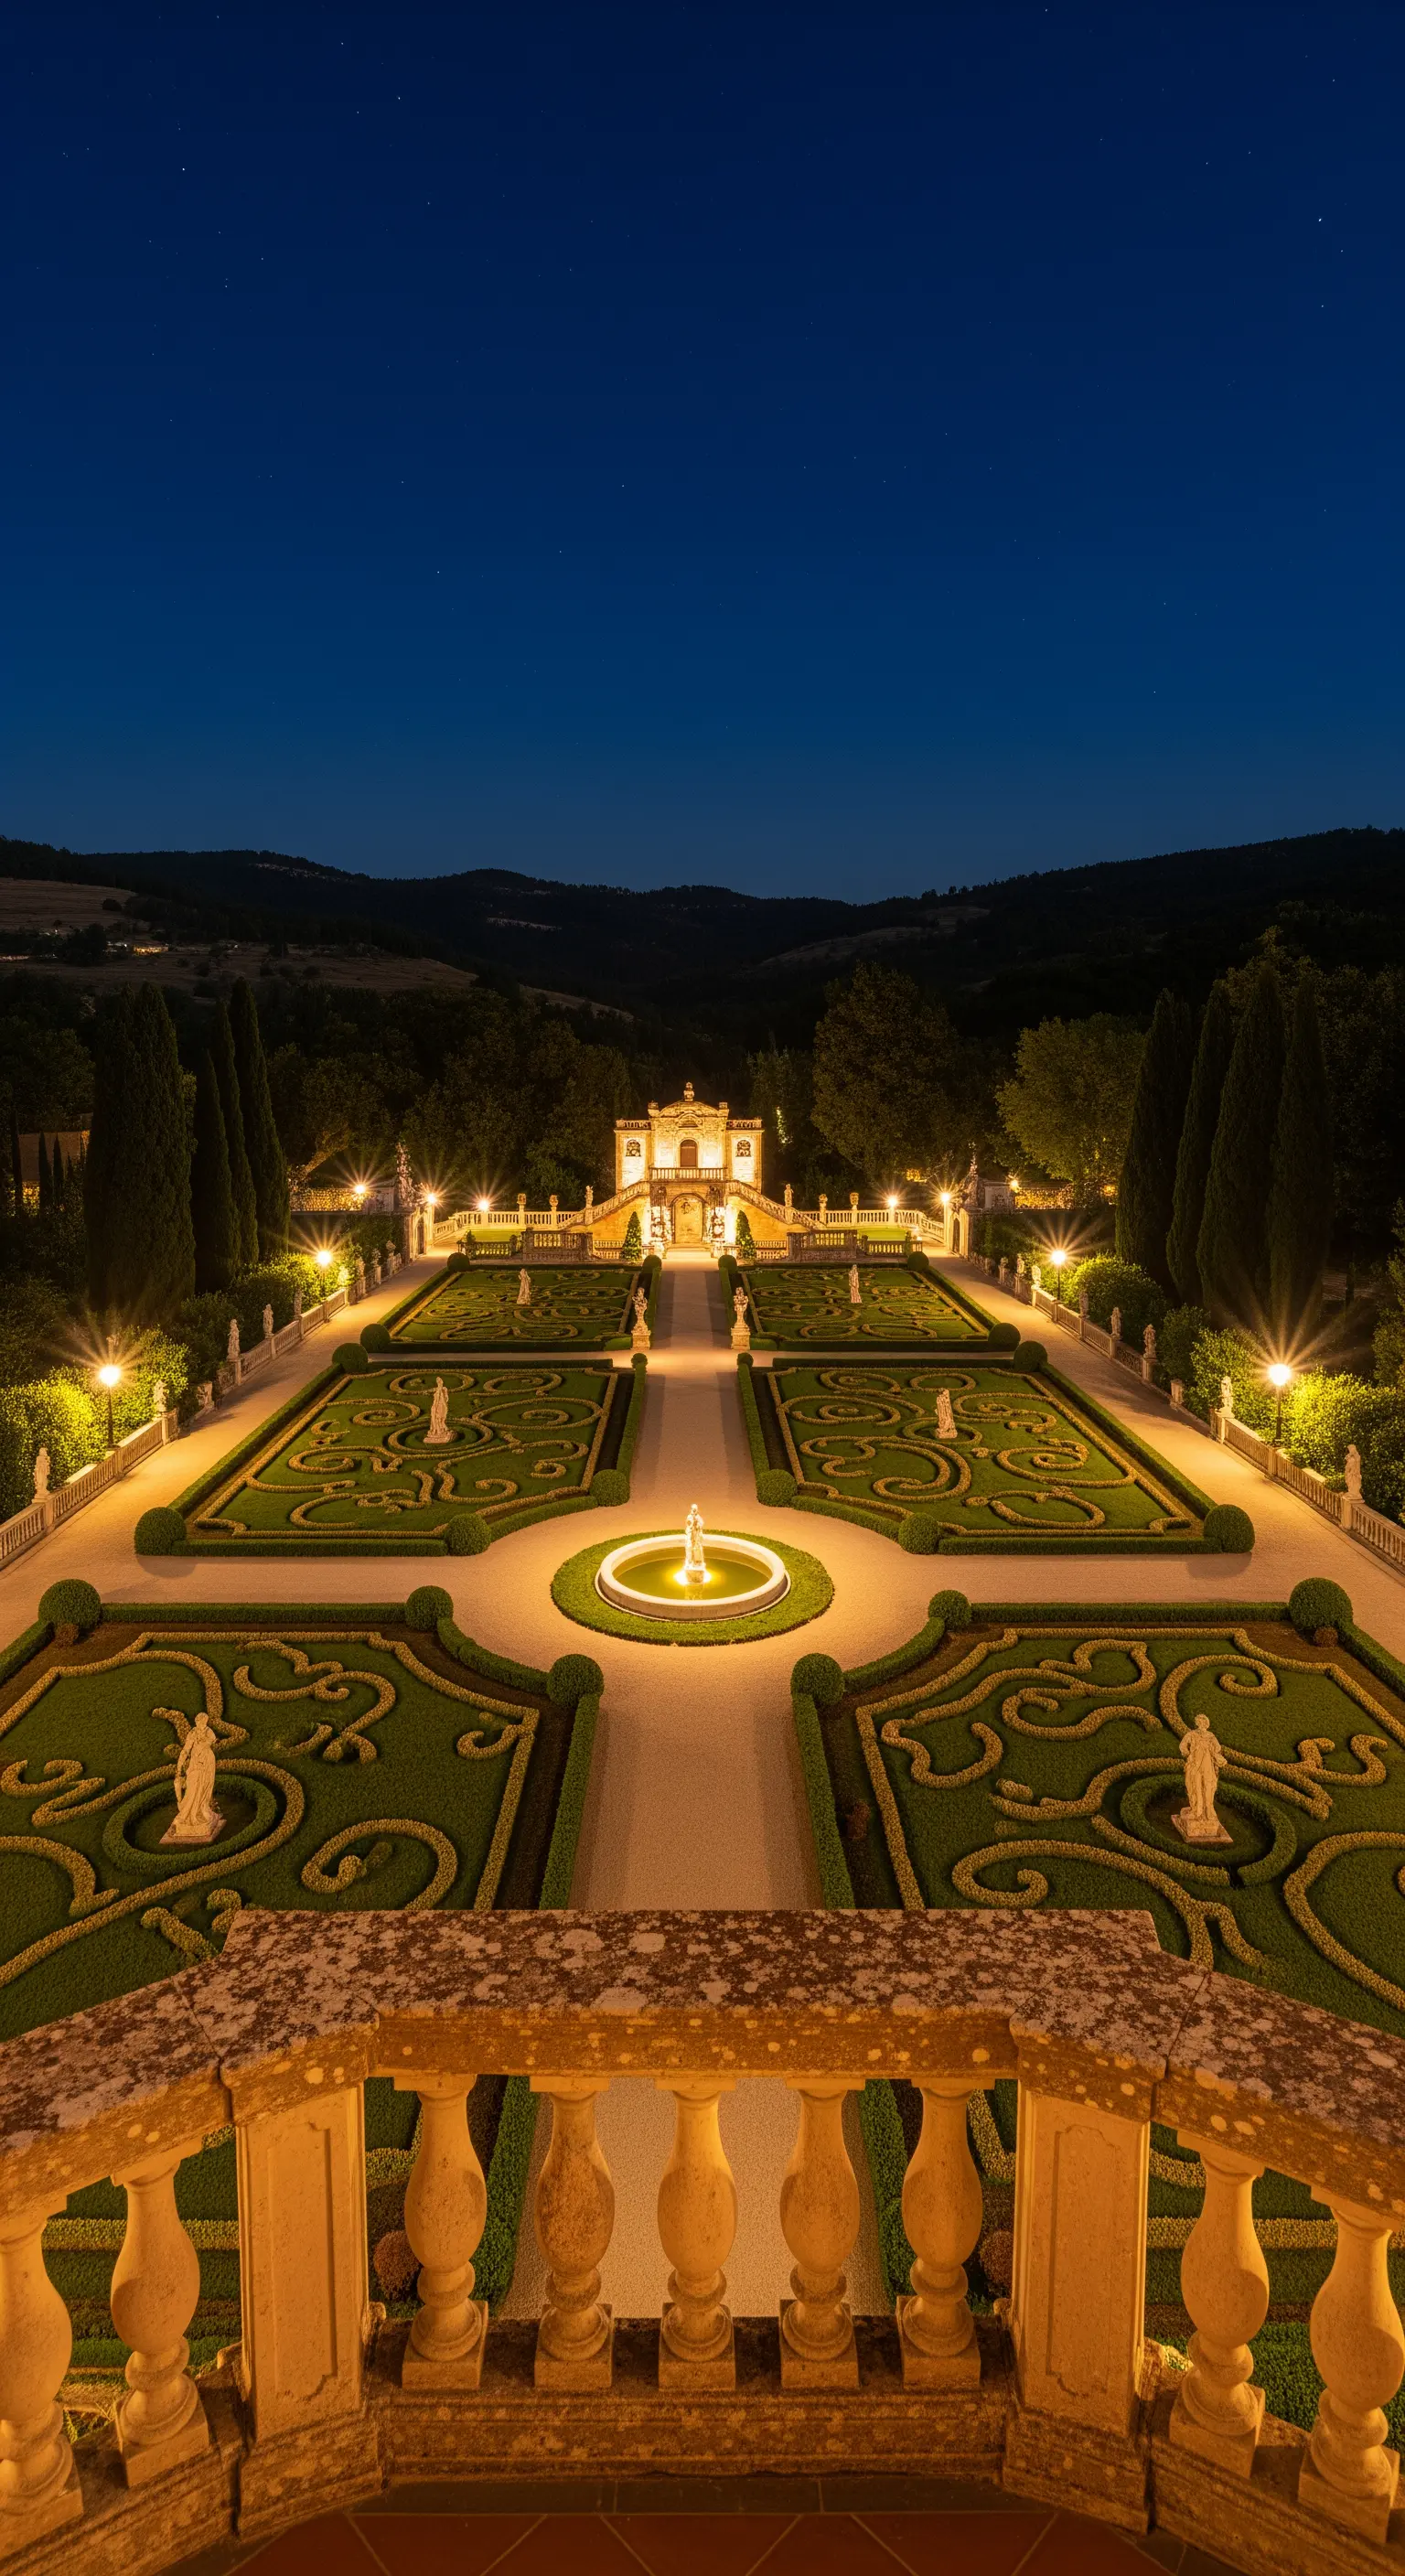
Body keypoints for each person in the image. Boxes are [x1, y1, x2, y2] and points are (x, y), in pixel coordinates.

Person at [166, 1712, 224, 1844]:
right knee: (192, 1787)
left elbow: (212, 1742)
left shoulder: (209, 1732)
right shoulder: (192, 1732)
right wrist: (179, 1765)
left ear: (205, 1722)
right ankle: (188, 1813)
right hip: (195, 1764)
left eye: (202, 1722)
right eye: (198, 1722)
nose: (200, 1724)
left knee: (205, 1787)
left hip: (207, 1762)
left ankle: (202, 1809)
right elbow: (186, 1750)